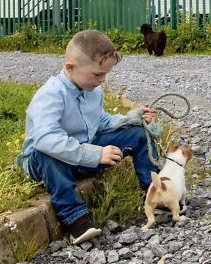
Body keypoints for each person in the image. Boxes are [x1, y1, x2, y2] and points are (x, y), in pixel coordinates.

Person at [17, 30, 158, 244]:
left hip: (84, 154)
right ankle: (76, 219)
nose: (102, 80)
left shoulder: (93, 90)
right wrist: (94, 153)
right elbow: (46, 139)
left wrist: (132, 118)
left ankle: (155, 193)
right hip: (47, 162)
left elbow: (101, 122)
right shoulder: (51, 94)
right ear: (71, 67)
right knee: (47, 153)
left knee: (138, 134)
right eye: (97, 74)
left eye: (105, 74)